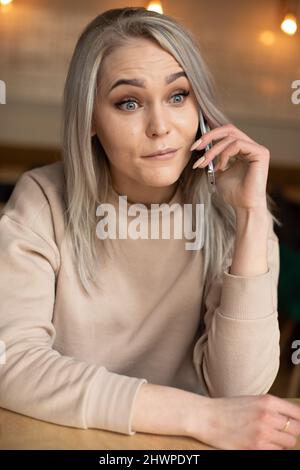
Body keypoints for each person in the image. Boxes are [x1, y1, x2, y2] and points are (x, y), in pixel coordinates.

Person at [0, 6, 300, 451]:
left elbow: (239, 395)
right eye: (129, 102)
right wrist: (196, 415)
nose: (161, 127)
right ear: (89, 122)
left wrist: (252, 217)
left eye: (178, 96)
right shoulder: (42, 199)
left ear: (199, 106)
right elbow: (12, 364)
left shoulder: (239, 215)